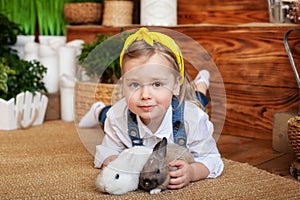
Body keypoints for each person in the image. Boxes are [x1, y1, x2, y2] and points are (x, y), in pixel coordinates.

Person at [78, 27, 223, 189]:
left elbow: (212, 159)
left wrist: (193, 172)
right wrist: (112, 160)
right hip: (120, 112)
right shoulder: (117, 117)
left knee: (198, 100)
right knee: (106, 114)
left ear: (175, 85)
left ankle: (201, 82)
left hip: (185, 105)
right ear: (123, 84)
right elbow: (105, 150)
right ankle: (98, 109)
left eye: (157, 84)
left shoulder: (193, 119)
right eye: (134, 84)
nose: (145, 95)